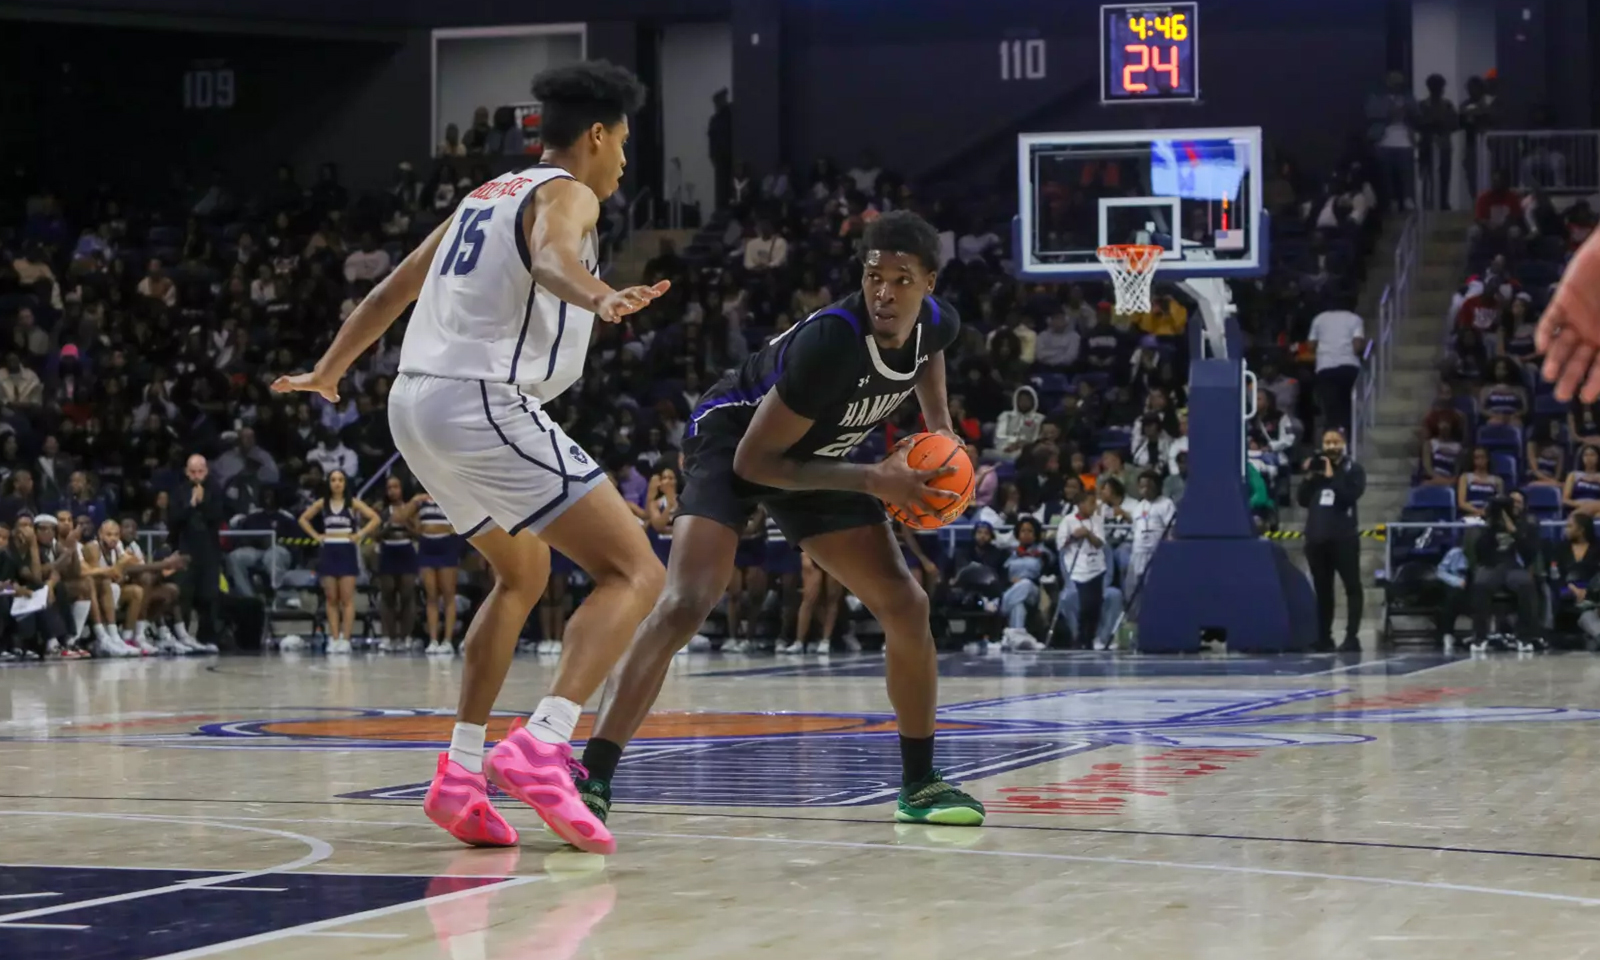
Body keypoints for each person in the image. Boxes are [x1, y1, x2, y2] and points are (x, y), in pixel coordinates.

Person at [273, 61, 668, 854]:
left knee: (522, 574)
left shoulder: (481, 196)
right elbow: (557, 259)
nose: (625, 159)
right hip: (480, 397)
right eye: (623, 142)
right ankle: (545, 742)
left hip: (413, 405)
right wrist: (599, 294)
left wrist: (331, 369)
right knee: (639, 573)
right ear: (596, 135)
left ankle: (458, 772)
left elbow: (391, 291)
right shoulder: (570, 194)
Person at [574, 209, 986, 833]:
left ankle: (920, 784)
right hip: (736, 438)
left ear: (930, 282)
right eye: (875, 275)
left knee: (907, 605)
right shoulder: (833, 343)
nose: (885, 291)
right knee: (688, 600)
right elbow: (757, 462)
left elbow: (931, 354)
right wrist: (875, 477)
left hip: (815, 452)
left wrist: (941, 431)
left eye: (902, 280)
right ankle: (592, 778)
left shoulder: (939, 323)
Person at [1297, 430, 1367, 652]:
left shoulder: (1353, 470)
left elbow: (1348, 496)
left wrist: (1331, 476)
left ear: (1343, 444)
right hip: (1317, 539)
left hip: (1343, 538)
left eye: (1335, 442)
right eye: (1327, 442)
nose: (1331, 446)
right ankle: (1324, 637)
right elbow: (1302, 500)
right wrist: (1309, 477)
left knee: (1352, 587)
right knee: (1323, 590)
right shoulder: (1317, 471)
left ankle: (1351, 636)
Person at [298, 469, 379, 653]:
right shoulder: (323, 503)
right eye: (333, 480)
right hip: (329, 550)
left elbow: (375, 518)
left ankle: (346, 639)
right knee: (331, 598)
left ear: (345, 483)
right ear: (329, 483)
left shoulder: (352, 503)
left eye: (340, 480)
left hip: (346, 550)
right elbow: (303, 519)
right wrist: (316, 536)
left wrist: (359, 534)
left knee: (347, 598)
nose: (337, 483)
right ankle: (334, 638)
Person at [167, 454, 226, 652]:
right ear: (186, 472)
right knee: (183, 594)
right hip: (185, 550)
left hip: (209, 551)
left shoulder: (215, 490)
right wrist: (191, 504)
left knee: (209, 595)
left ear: (206, 471)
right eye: (193, 472)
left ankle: (208, 638)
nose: (197, 475)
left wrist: (203, 502)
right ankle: (180, 637)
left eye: (200, 471)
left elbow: (218, 516)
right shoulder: (178, 492)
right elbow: (173, 520)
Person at [1471, 494, 1542, 651]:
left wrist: (1514, 531)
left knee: (1526, 584)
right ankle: (1480, 636)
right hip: (1491, 565)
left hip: (1512, 565)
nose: (1515, 506)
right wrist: (1490, 526)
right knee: (1480, 584)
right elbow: (1480, 553)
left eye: (1518, 503)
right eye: (1512, 503)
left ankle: (1525, 637)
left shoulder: (1526, 525)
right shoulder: (1487, 526)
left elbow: (1529, 553)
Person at [374, 475, 420, 652]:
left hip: (406, 550)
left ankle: (406, 636)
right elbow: (375, 535)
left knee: (407, 594)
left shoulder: (411, 508)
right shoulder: (381, 510)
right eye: (389, 488)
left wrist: (405, 523)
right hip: (388, 551)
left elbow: (418, 533)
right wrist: (388, 525)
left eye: (396, 487)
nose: (392, 491)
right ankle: (388, 636)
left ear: (402, 489)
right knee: (388, 595)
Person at [1307, 297, 1365, 436]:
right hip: (1349, 367)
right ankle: (1350, 438)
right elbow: (1357, 346)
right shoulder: (1354, 319)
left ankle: (1332, 440)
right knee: (1348, 404)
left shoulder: (1319, 319)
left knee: (1330, 408)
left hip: (1326, 367)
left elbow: (1311, 346)